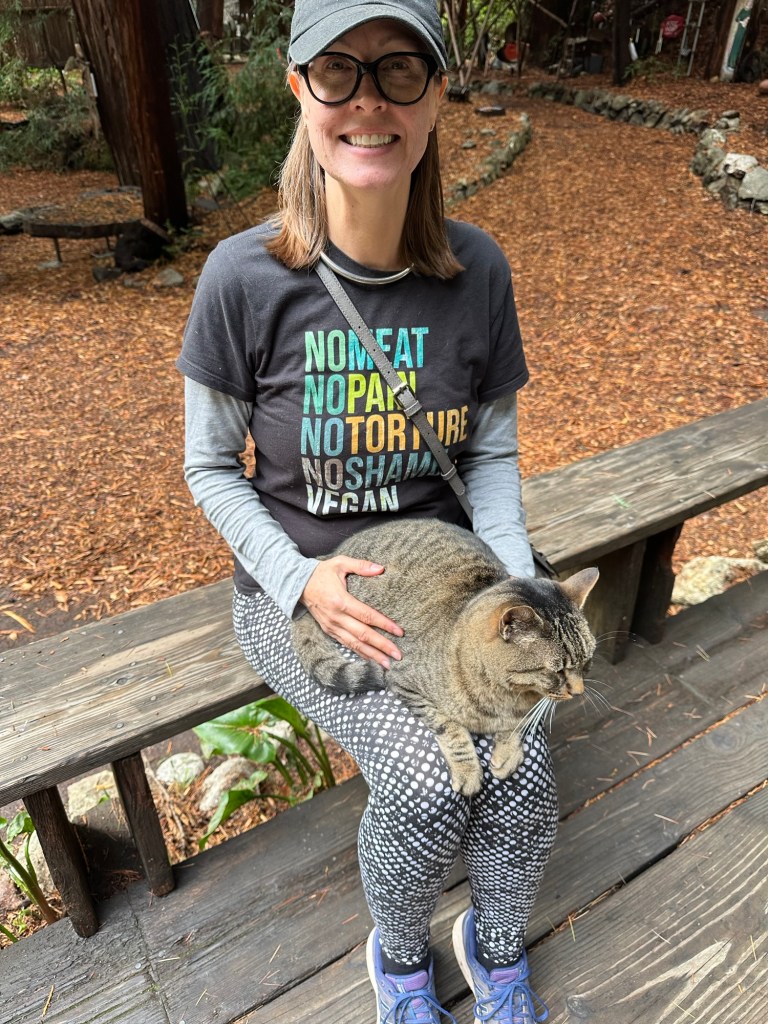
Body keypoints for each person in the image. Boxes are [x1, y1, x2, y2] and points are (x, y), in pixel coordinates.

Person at [178, 2, 554, 1021]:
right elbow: (210, 468)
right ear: (298, 90)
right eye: (338, 71)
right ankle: (399, 962)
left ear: (437, 96)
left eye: (399, 71)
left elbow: (491, 455)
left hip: (449, 594)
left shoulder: (478, 271)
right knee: (428, 785)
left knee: (524, 781)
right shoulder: (243, 278)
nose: (368, 100)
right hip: (297, 591)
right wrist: (302, 576)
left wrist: (512, 585)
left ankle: (496, 945)